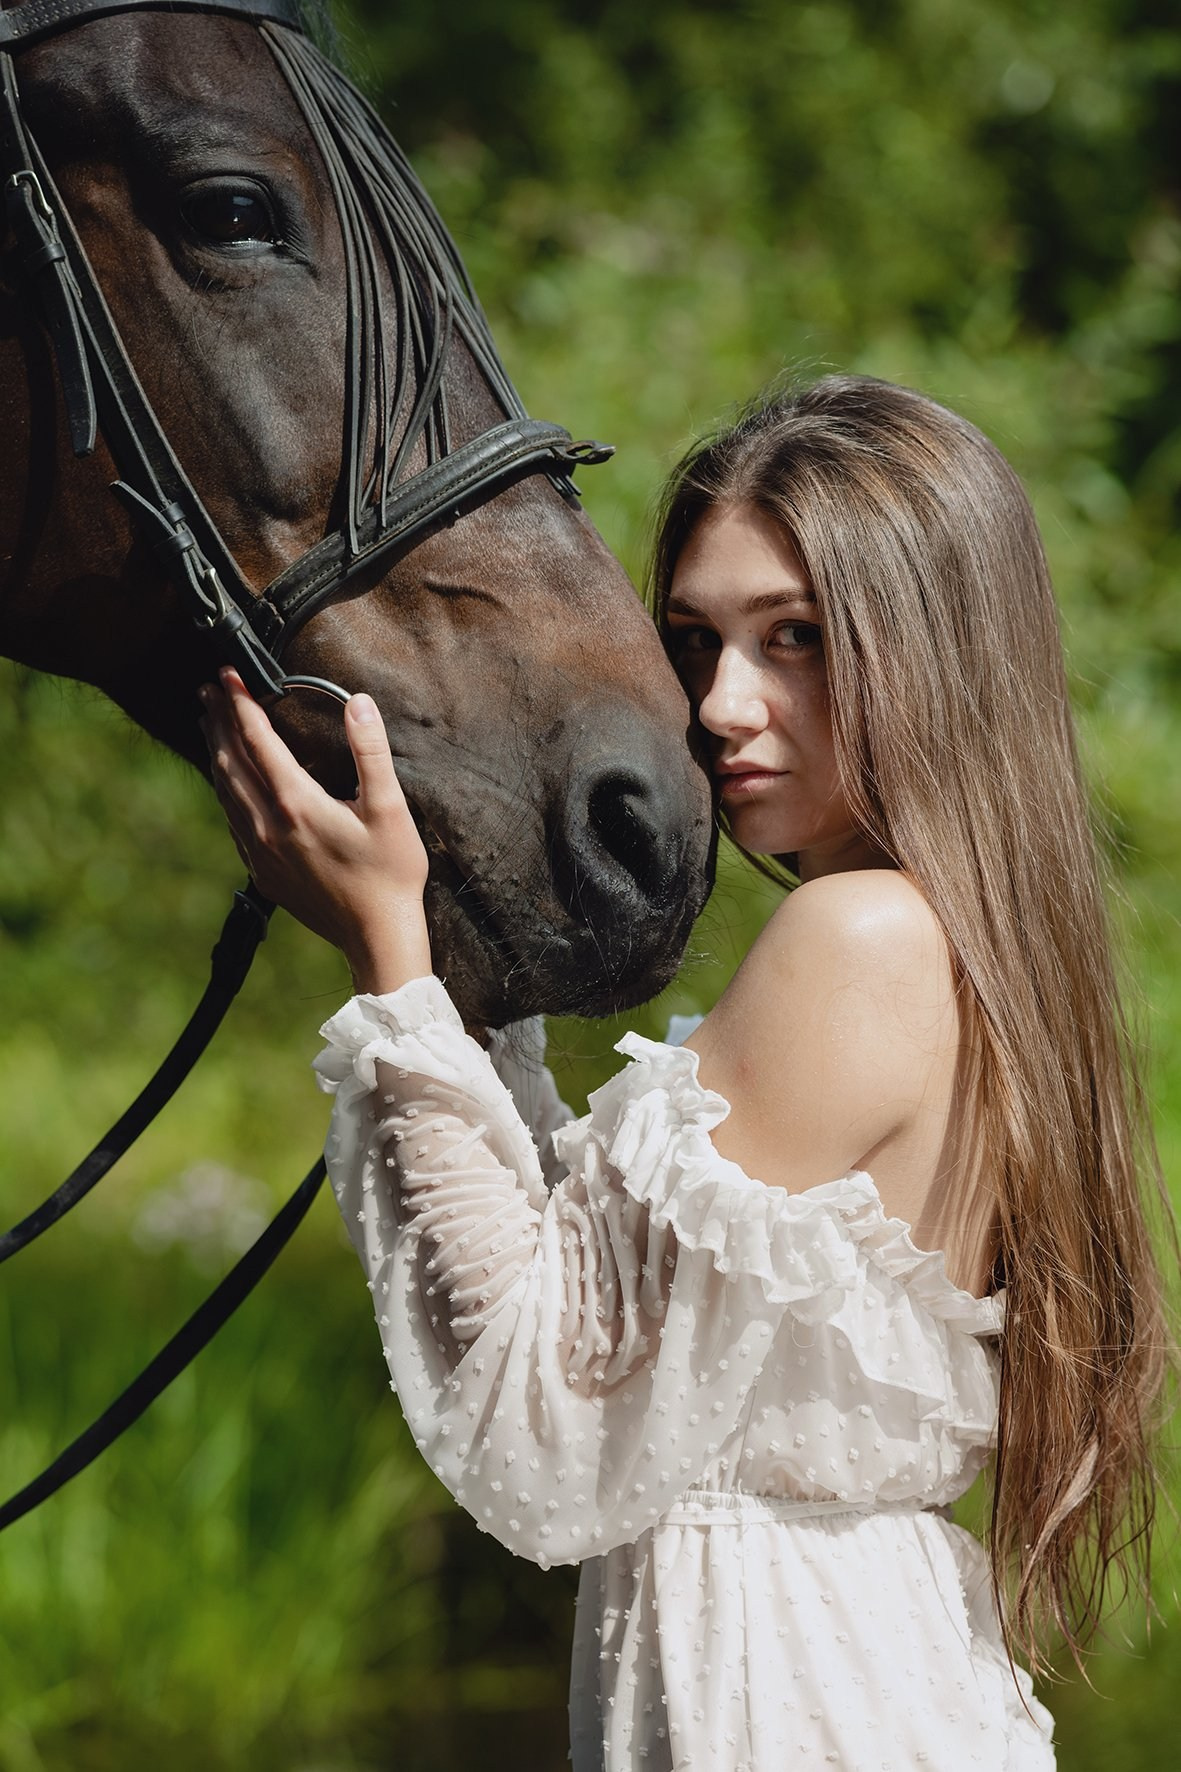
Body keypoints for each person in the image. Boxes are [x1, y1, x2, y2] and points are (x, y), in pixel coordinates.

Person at [200, 374, 1170, 1770]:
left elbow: (543, 1422)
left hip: (782, 1699)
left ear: (937, 648)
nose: (722, 706)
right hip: (843, 1670)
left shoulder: (855, 935)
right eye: (693, 639)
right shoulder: (960, 940)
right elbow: (601, 1322)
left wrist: (394, 965)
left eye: (799, 640)